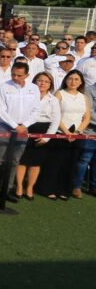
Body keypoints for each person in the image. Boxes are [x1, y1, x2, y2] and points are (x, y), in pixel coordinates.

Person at [0, 62, 41, 202]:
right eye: (13, 74)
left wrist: (24, 125)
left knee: (15, 160)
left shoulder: (34, 88)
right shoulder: (3, 87)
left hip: (23, 127)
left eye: (19, 75)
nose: (15, 77)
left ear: (27, 75)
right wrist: (15, 125)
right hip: (3, 125)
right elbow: (0, 110)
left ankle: (7, 189)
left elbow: (36, 110)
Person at [42, 70, 91, 200]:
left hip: (76, 136)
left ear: (81, 82)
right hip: (59, 133)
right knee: (55, 162)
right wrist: (66, 132)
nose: (73, 82)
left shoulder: (84, 97)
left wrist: (77, 132)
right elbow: (55, 115)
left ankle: (64, 190)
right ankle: (49, 188)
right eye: (70, 79)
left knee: (70, 164)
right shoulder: (59, 94)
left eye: (76, 79)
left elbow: (86, 117)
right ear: (65, 80)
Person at [15, 72, 60, 200]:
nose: (42, 83)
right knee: (22, 160)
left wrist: (47, 137)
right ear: (34, 81)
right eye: (40, 80)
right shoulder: (27, 95)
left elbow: (56, 120)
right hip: (26, 127)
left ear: (50, 84)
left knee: (36, 162)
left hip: (43, 130)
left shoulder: (53, 99)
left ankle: (29, 187)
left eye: (46, 81)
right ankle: (19, 186)